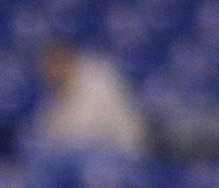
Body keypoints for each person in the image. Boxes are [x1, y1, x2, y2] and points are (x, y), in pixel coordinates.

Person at [23, 36, 152, 160]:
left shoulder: (99, 81)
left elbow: (128, 131)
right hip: (78, 161)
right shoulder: (51, 96)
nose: (50, 71)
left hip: (116, 156)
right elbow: (46, 139)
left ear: (68, 58)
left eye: (55, 62)